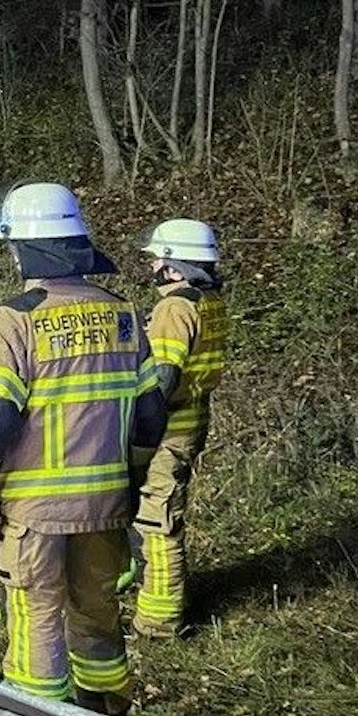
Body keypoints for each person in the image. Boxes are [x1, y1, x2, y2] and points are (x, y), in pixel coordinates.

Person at [0, 181, 166, 716]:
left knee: (38, 610)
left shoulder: (14, 320)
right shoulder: (123, 314)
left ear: (23, 249)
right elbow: (150, 415)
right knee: (97, 608)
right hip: (107, 504)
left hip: (37, 513)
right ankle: (108, 714)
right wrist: (131, 485)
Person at [126, 219, 229, 638]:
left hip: (168, 428)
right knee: (156, 511)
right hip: (192, 419)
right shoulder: (209, 301)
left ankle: (159, 622)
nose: (152, 267)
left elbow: (163, 377)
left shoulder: (175, 307)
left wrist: (138, 426)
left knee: (158, 519)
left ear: (173, 265)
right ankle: (160, 593)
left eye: (156, 260)